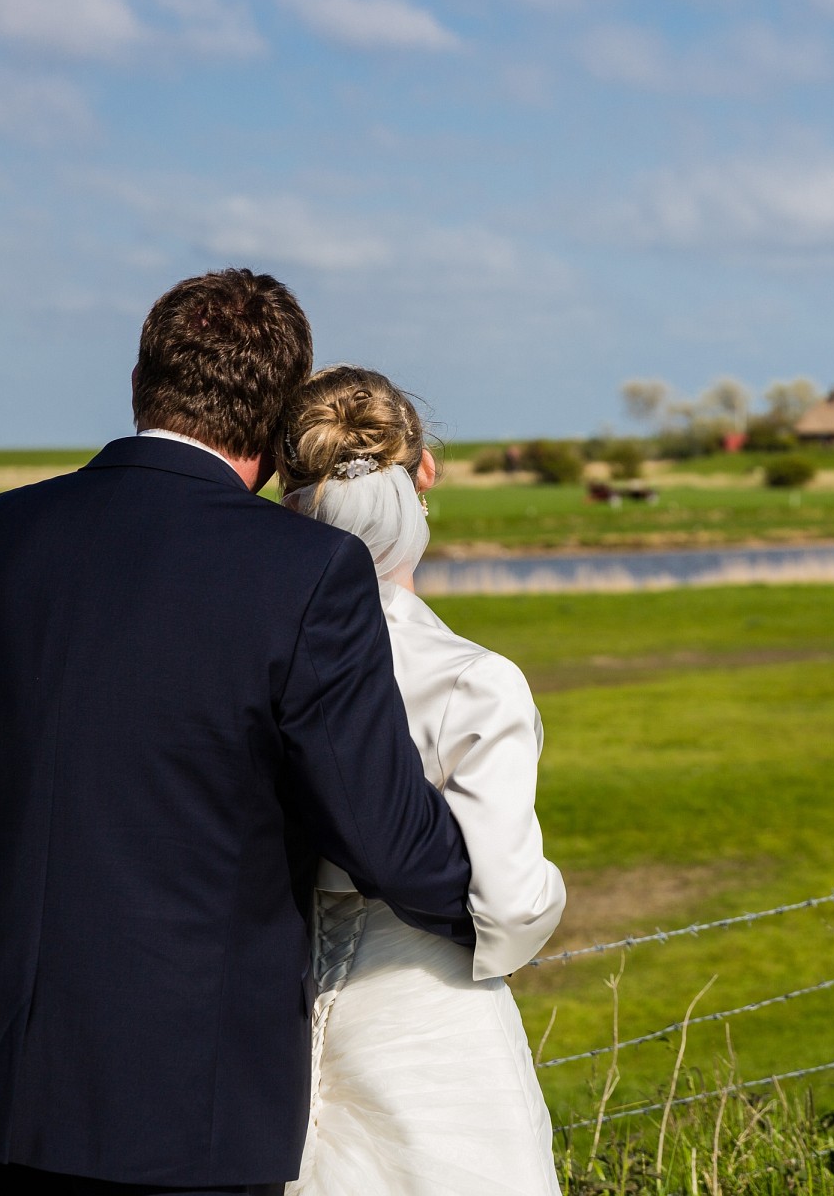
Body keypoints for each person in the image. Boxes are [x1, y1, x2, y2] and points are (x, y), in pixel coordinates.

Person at [0, 271, 478, 1195]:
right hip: (182, 1113)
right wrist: (503, 904)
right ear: (274, 417)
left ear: (141, 383)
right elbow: (388, 840)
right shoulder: (306, 571)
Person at [276, 367, 564, 1196]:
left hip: (276, 1024)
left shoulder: (259, 666)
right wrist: (548, 896)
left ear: (293, 496)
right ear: (425, 472)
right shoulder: (476, 681)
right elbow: (508, 904)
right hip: (431, 1016)